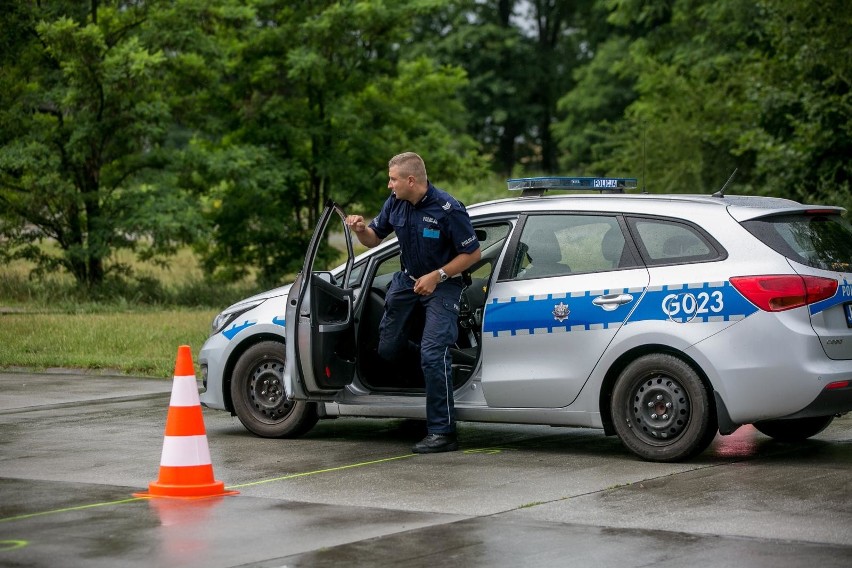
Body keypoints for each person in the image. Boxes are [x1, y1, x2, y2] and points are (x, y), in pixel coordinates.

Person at [346, 152, 481, 453]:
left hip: (443, 285)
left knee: (433, 352)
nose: (389, 184)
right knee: (388, 348)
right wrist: (359, 230)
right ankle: (436, 370)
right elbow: (373, 239)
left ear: (410, 180)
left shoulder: (449, 209)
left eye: (393, 179)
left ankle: (442, 432)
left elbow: (473, 254)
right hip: (407, 282)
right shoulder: (395, 202)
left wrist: (438, 275)